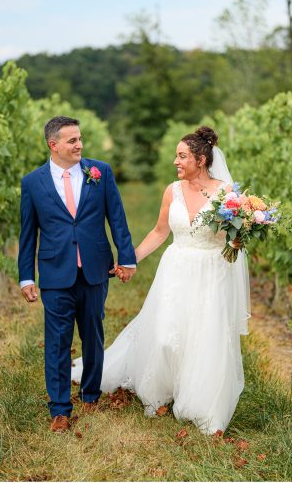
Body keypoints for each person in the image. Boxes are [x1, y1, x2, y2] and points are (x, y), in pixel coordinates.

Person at [71, 126, 251, 434]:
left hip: (211, 272)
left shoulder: (226, 193)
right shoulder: (172, 190)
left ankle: (202, 404)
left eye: (182, 156)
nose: (175, 162)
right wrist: (129, 260)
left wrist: (238, 240)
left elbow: (233, 239)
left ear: (202, 159)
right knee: (167, 335)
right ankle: (158, 390)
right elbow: (159, 232)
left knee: (205, 337)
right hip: (177, 268)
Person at [18, 115, 137, 433]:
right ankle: (59, 409)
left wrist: (127, 258)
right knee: (57, 341)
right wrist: (26, 276)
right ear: (53, 145)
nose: (79, 145)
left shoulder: (100, 172)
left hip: (95, 268)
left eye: (80, 138)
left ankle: (90, 393)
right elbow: (28, 233)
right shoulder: (33, 183)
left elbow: (118, 219)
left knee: (93, 334)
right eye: (72, 140)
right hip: (55, 272)